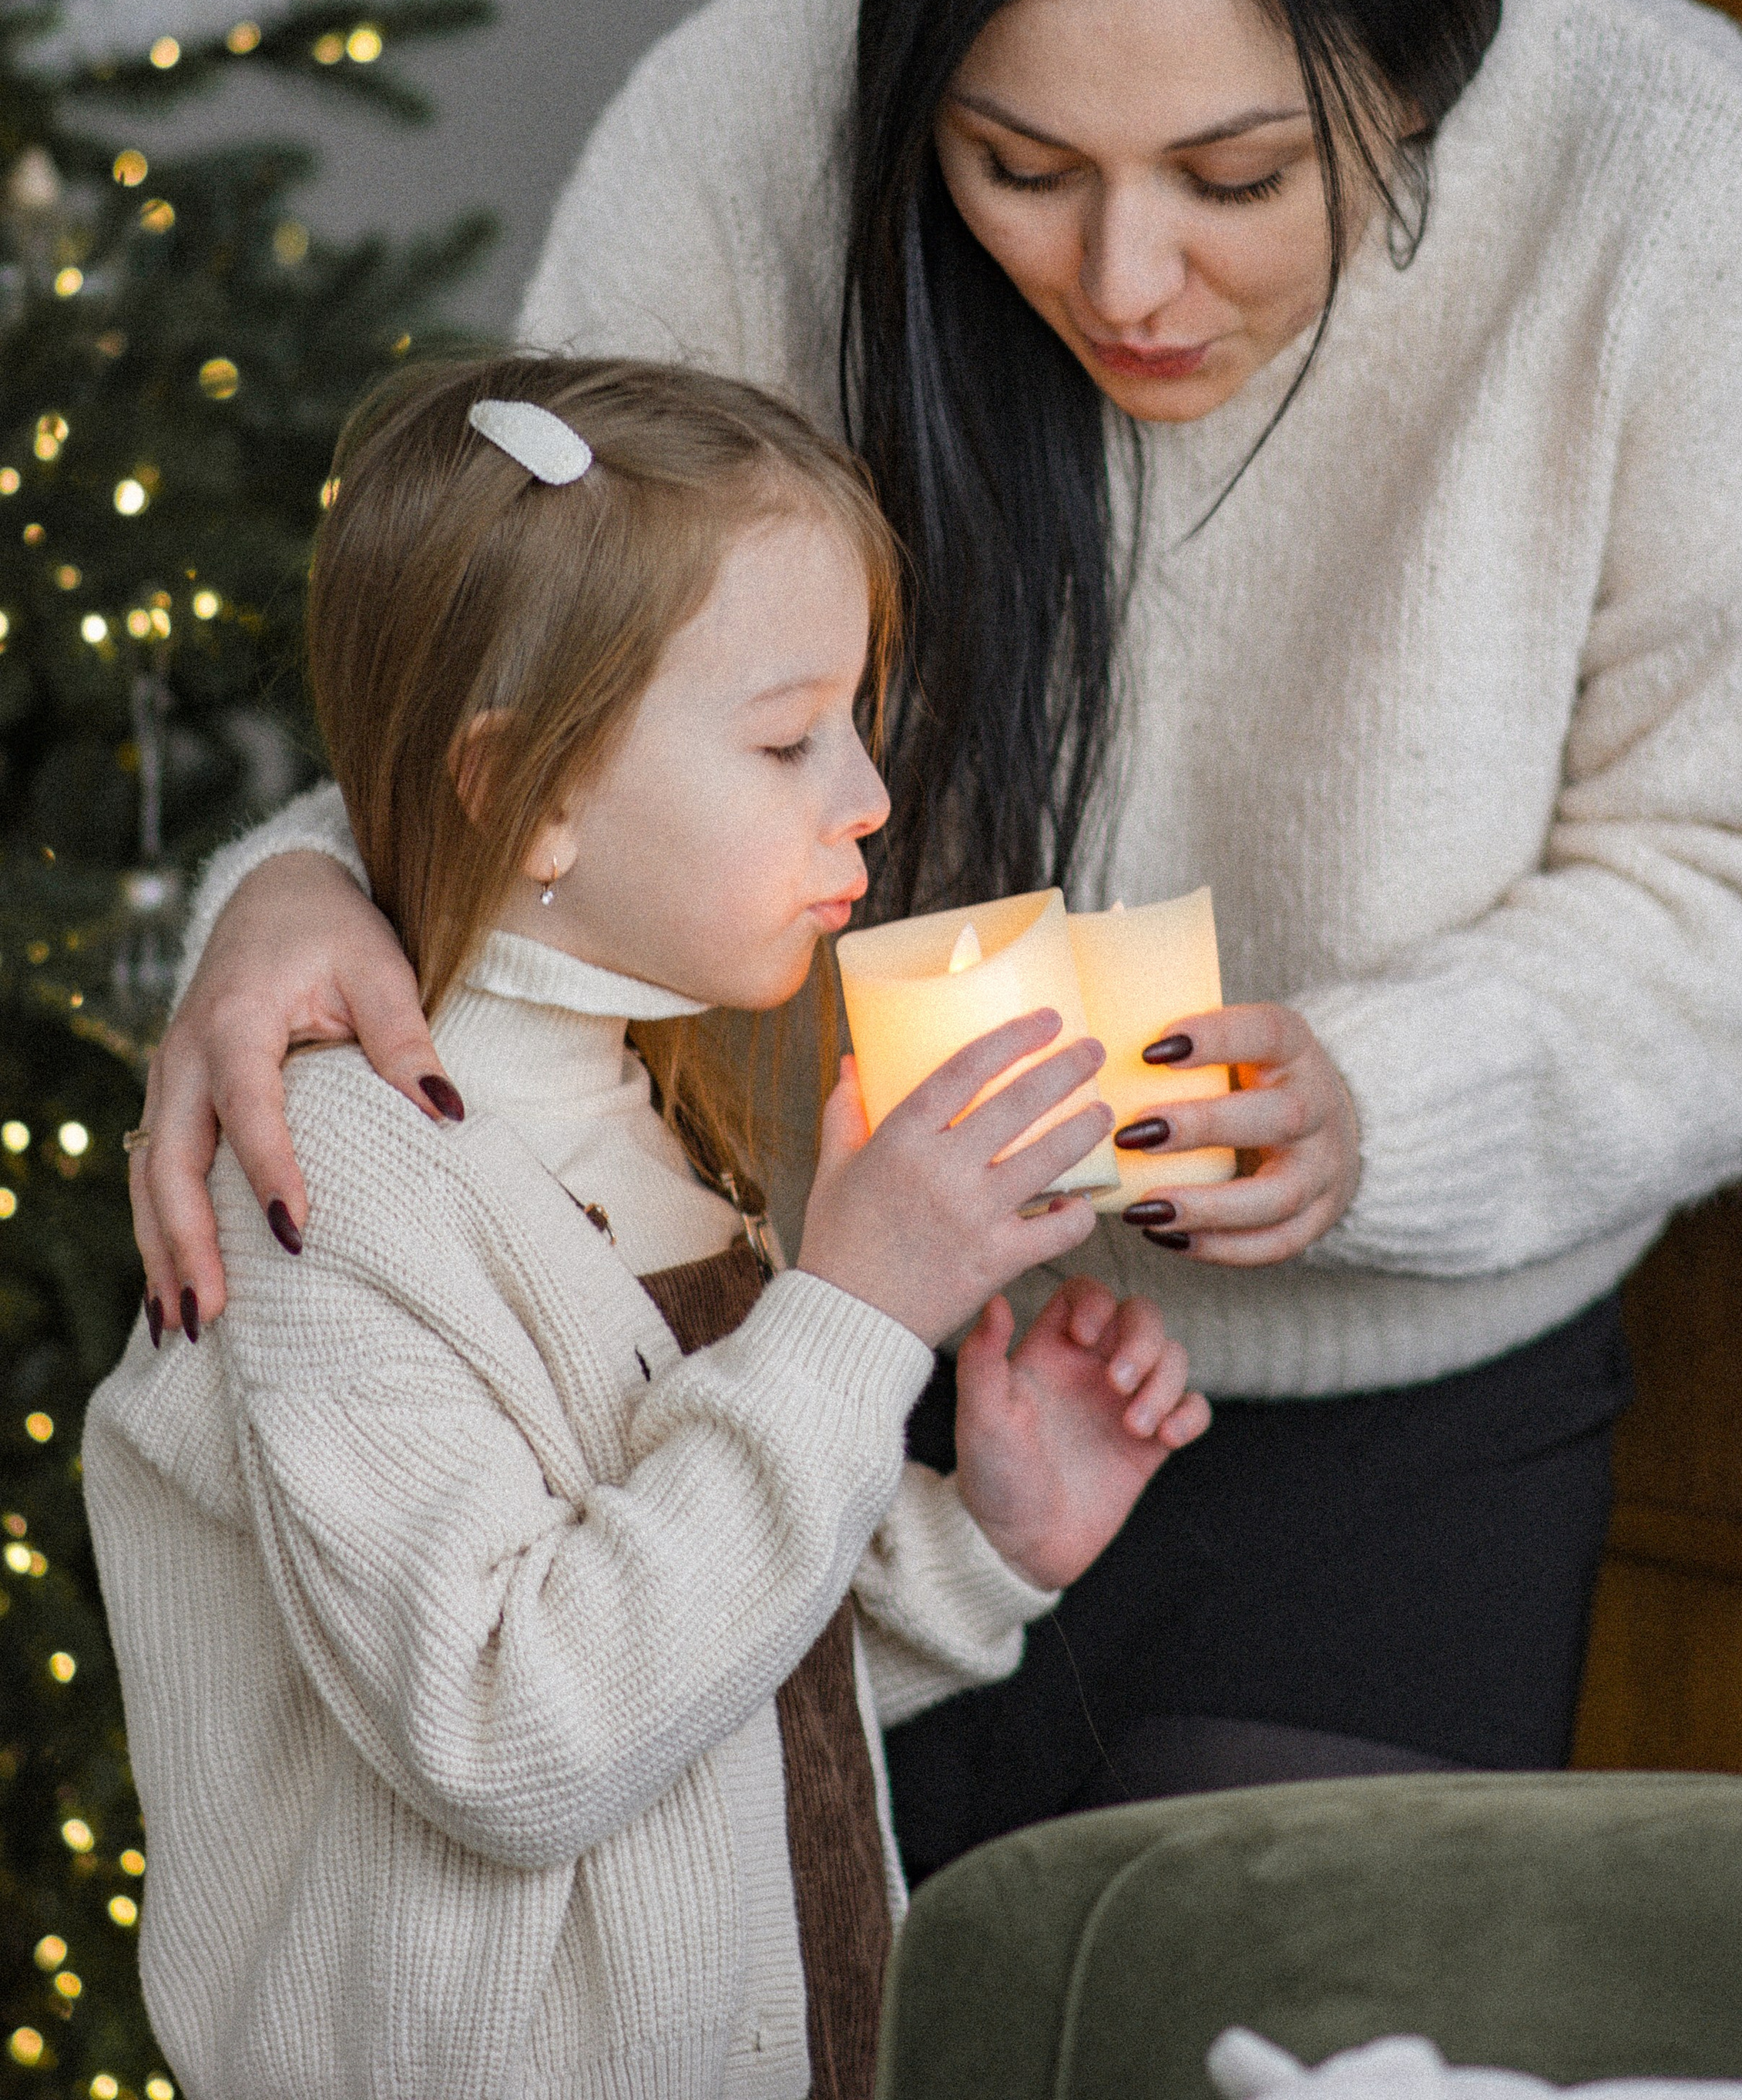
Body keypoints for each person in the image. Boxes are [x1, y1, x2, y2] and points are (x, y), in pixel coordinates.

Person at [126, 0, 1742, 1868]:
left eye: (1238, 178)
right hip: (777, 1371)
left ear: (1425, 84)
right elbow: (560, 685)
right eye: (1014, 163)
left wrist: (1376, 1105)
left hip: (1387, 1453)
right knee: (829, 2015)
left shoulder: (1669, 182)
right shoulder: (747, 118)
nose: (1125, 277)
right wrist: (306, 878)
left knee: (1264, 2007)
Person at [83, 354, 1207, 2100]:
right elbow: (507, 1729)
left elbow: (705, 1690)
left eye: (855, 720)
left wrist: (975, 1545)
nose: (868, 796)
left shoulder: (645, 1111)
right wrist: (854, 1313)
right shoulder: (338, 1183)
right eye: (785, 739)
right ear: (525, 789)